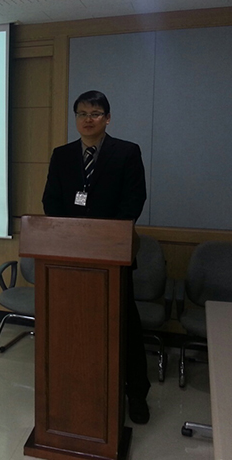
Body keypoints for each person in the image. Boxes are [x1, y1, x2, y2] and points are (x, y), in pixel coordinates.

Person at [42, 89, 151, 424]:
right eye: (81, 114)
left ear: (107, 118)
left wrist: (102, 237)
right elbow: (51, 200)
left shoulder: (126, 152)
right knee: (75, 327)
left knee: (124, 325)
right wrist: (72, 237)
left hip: (112, 256)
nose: (87, 120)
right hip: (70, 259)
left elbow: (134, 200)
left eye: (94, 114)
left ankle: (136, 393)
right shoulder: (62, 155)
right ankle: (80, 388)